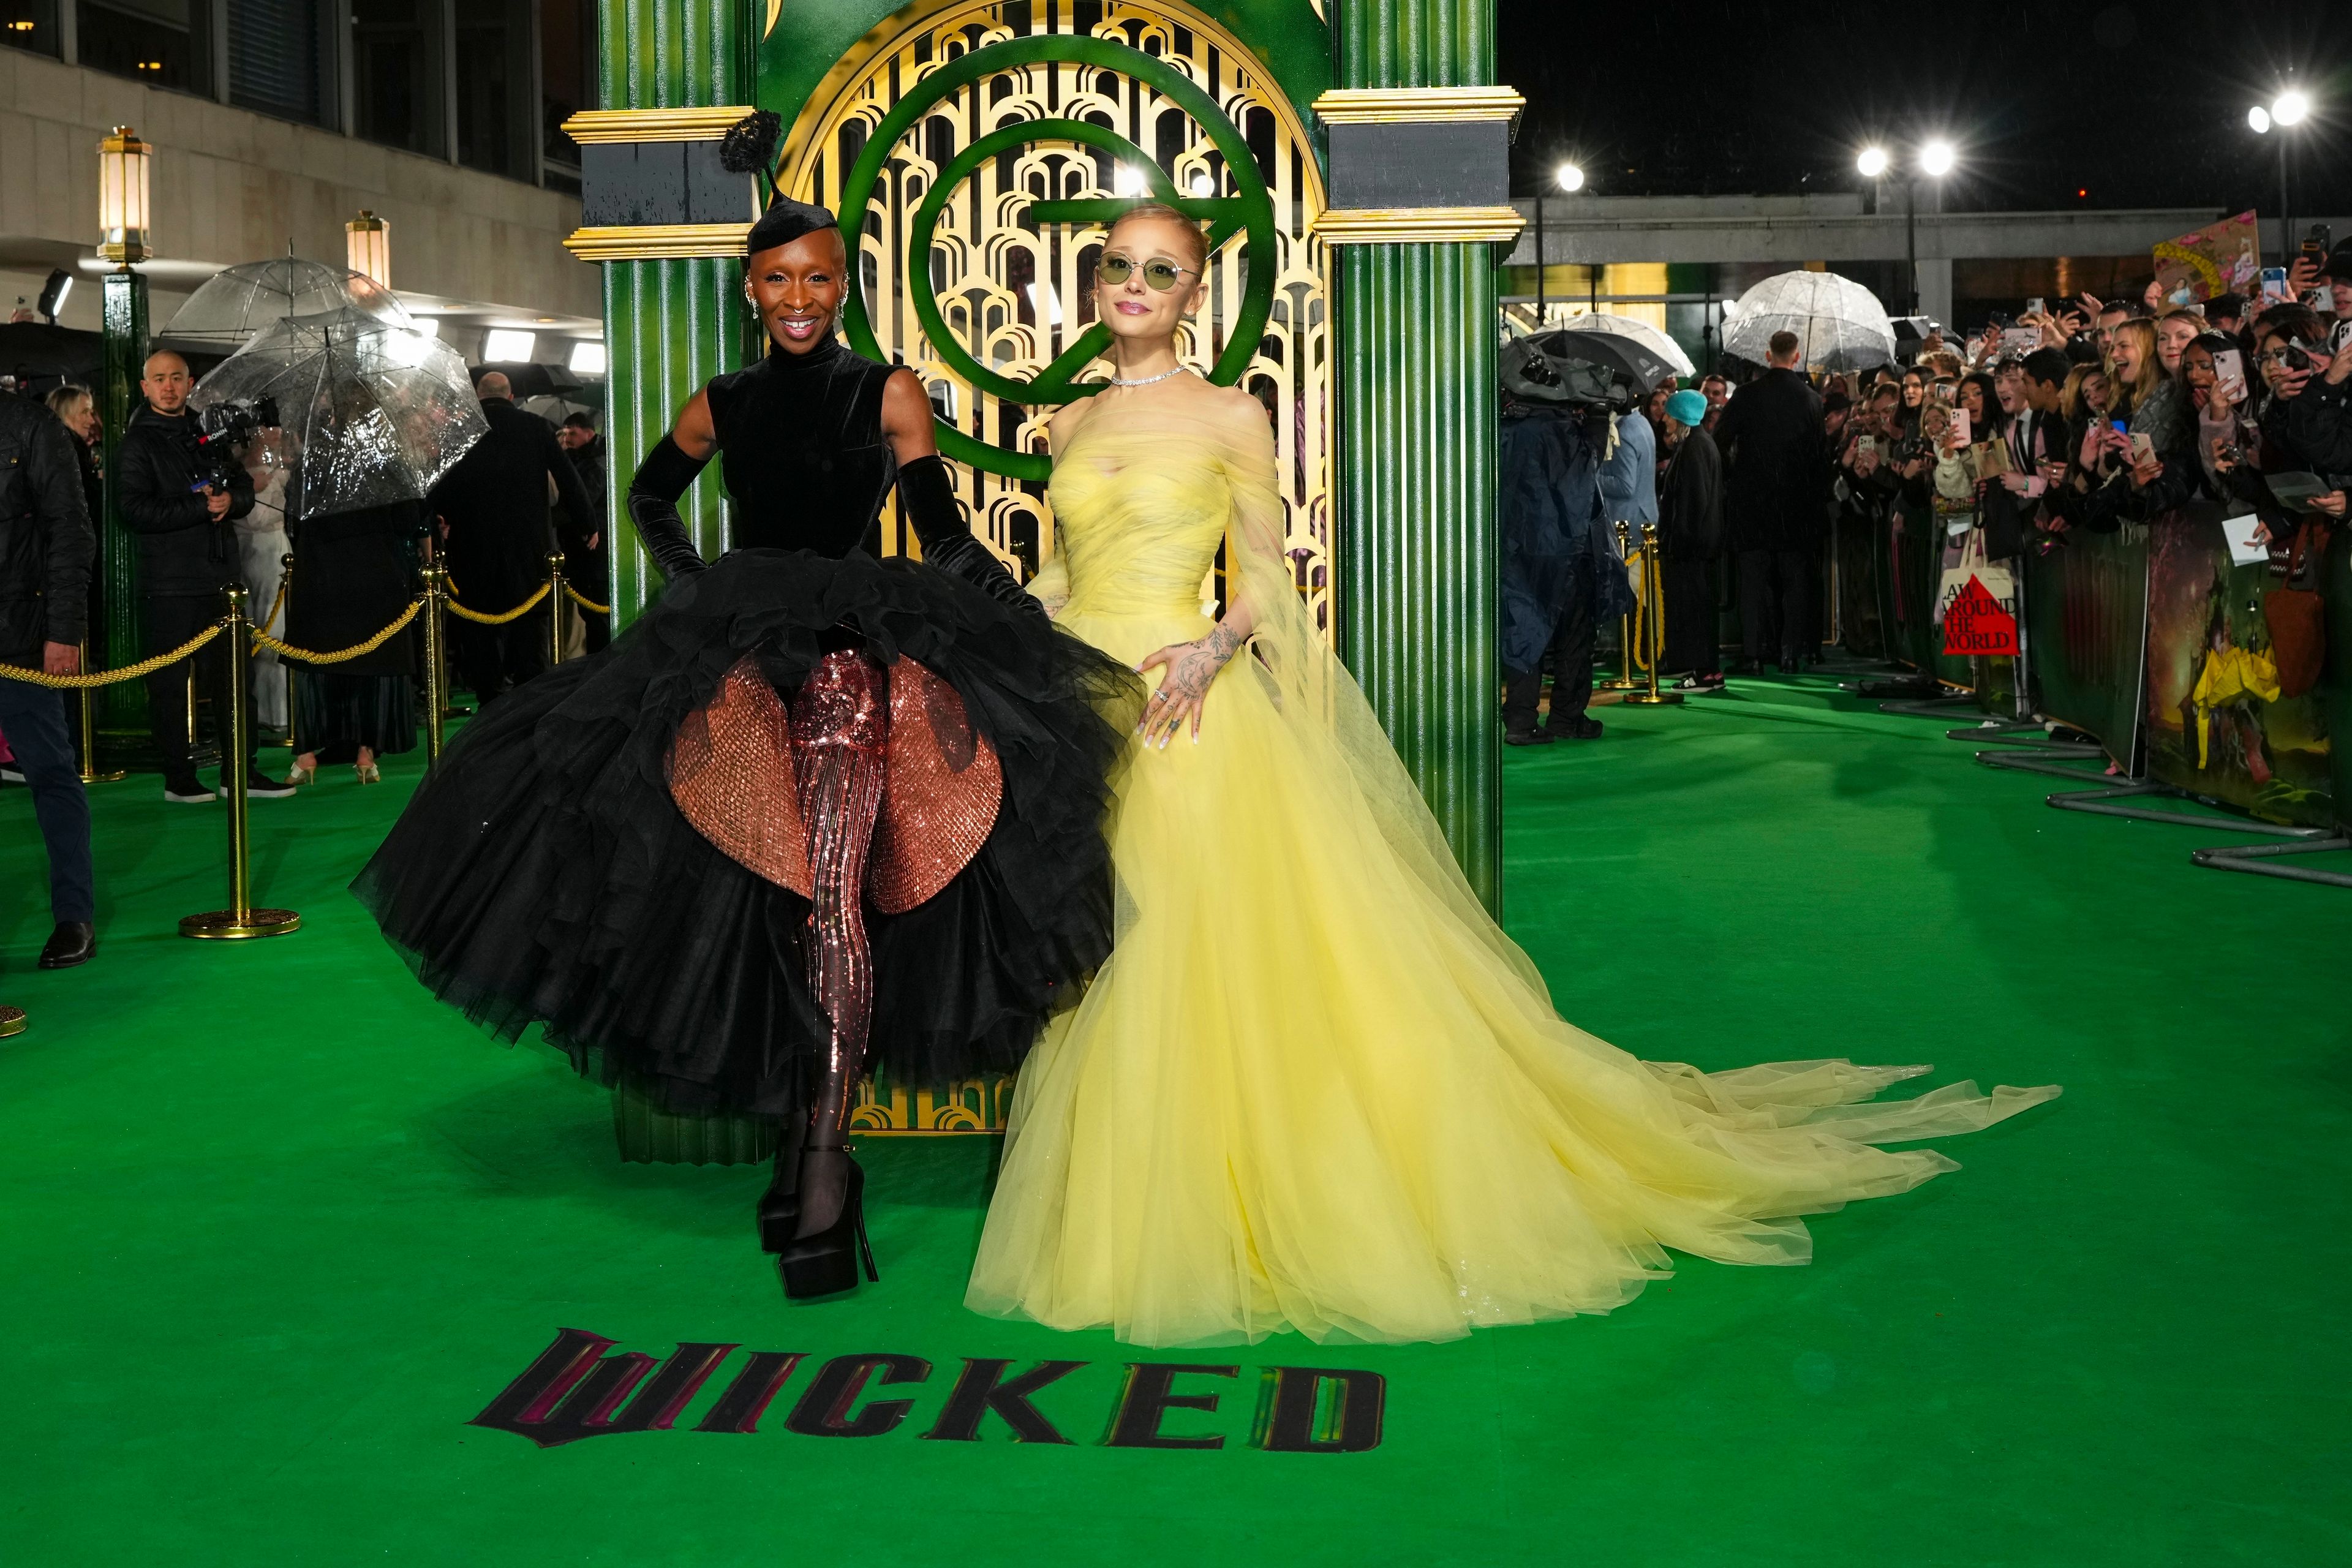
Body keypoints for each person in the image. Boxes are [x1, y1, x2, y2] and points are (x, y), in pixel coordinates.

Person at [965, 203, 2059, 1348]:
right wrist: (1002, 649)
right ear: (1094, 285)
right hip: (1078, 720)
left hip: (1189, 717)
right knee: (1100, 960)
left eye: (1162, 271)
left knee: (1193, 961)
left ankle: (1237, 1200)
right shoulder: (1071, 419)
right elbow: (1053, 574)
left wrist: (1207, 649)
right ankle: (1149, 1183)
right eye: (1117, 267)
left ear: (1196, 294)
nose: (1134, 286)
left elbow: (1263, 579)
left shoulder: (1234, 414)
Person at [355, 187, 1137, 1302]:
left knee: (831, 896)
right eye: (779, 279)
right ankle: (800, 1144)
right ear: (750, 289)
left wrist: (1024, 628)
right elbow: (646, 494)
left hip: (852, 668)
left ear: (844, 285)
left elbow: (943, 532)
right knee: (754, 900)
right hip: (734, 670)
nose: (801, 299)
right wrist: (702, 589)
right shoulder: (721, 399)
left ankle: (825, 1151)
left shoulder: (888, 390)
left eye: (820, 277)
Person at [115, 351, 295, 803]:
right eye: (159, 379)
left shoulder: (208, 434)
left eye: (176, 378)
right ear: (146, 387)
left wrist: (229, 502)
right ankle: (179, 777)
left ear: (189, 382)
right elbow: (133, 510)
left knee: (236, 682)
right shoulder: (138, 444)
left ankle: (240, 771)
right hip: (169, 582)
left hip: (221, 579)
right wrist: (203, 506)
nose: (169, 386)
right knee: (169, 689)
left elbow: (241, 490)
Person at [0, 385, 98, 968]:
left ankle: (74, 914)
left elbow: (71, 532)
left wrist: (64, 633)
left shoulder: (32, 427)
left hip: (22, 634)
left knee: (50, 773)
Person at [426, 371, 594, 704]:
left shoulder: (462, 431)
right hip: (529, 551)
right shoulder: (535, 427)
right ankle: (532, 709)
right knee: (531, 637)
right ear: (511, 395)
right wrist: (587, 522)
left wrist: (437, 520)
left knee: (482, 635)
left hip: (474, 553)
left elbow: (439, 488)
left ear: (477, 394)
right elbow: (568, 478)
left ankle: (490, 705)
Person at [1496, 345, 1610, 745]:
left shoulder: (1501, 429)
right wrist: (1597, 416)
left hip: (1515, 549)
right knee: (1575, 637)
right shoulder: (1563, 431)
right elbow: (1587, 467)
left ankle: (1521, 722)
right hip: (1565, 549)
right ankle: (1566, 717)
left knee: (1524, 633)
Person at [1713, 330, 1825, 673]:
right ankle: (1790, 652)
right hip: (1796, 507)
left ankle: (1753, 655)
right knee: (1794, 582)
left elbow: (1719, 440)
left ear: (1767, 355)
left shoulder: (1747, 395)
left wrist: (1737, 473)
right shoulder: (1810, 400)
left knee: (1752, 583)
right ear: (1796, 357)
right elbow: (1820, 457)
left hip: (1752, 503)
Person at [1656, 388, 1724, 691]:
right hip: (1695, 548)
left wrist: (1677, 543)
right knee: (1695, 609)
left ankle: (1705, 673)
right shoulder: (1697, 445)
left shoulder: (1695, 448)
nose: (1665, 418)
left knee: (1696, 610)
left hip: (1692, 549)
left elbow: (1693, 503)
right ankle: (1698, 668)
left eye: (1669, 413)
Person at [557, 412, 609, 654]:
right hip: (579, 545)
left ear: (589, 434)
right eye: (565, 433)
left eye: (573, 433)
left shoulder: (598, 462)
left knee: (597, 608)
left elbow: (584, 499)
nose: (568, 438)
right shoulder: (576, 458)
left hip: (594, 546)